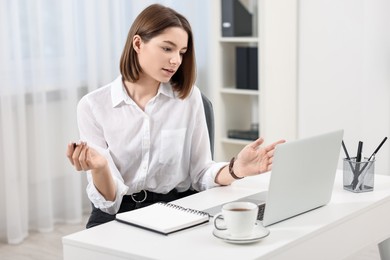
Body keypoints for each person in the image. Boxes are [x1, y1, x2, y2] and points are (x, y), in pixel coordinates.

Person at [66, 3, 285, 228]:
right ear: (138, 43)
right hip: (117, 213)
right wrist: (101, 167)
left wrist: (236, 169)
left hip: (174, 208)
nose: (176, 61)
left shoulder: (188, 99)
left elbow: (200, 173)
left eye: (182, 52)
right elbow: (108, 203)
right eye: (167, 48)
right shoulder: (93, 106)